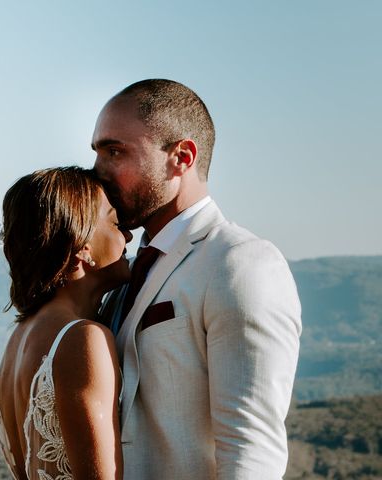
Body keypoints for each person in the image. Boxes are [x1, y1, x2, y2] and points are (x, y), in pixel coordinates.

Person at [92, 79, 302, 479]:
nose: (97, 171)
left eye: (115, 151)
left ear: (181, 157)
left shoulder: (239, 263)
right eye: (98, 151)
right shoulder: (124, 272)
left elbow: (250, 449)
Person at [0, 166, 132, 480]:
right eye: (114, 221)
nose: (127, 235)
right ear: (82, 245)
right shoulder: (81, 338)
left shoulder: (20, 335)